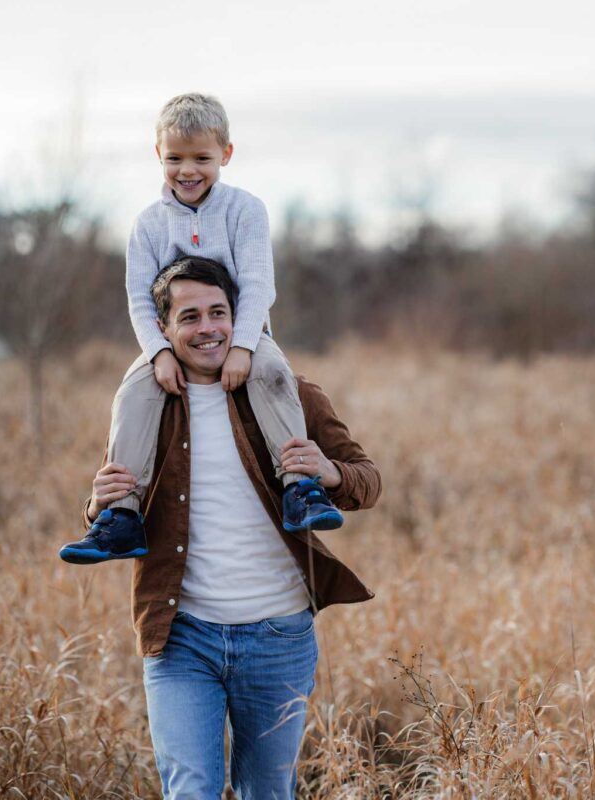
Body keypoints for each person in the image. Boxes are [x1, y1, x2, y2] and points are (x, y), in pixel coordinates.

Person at [78, 256, 379, 798]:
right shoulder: (146, 405)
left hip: (278, 636)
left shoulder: (288, 392)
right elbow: (113, 501)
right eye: (189, 316)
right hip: (182, 637)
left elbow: (368, 479)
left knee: (266, 791)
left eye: (218, 312)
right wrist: (97, 504)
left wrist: (329, 472)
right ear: (162, 329)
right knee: (190, 789)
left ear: (238, 318)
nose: (208, 328)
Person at [60, 92, 342, 565]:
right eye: (175, 158)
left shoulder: (245, 210)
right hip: (171, 342)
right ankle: (121, 515)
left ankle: (300, 488)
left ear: (225, 154)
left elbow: (257, 285)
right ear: (158, 155)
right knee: (132, 394)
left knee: (273, 374)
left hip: (245, 334)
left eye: (201, 158)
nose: (187, 170)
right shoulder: (148, 224)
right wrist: (158, 353)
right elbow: (138, 298)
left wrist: (244, 347)